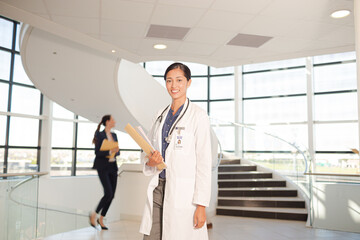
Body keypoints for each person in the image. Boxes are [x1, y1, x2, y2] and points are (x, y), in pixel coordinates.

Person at [139, 62, 212, 240]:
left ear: (188, 82)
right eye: (169, 81)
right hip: (159, 187)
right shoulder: (160, 114)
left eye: (179, 80)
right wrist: (151, 161)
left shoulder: (198, 116)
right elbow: (147, 152)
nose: (174, 86)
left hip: (183, 193)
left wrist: (201, 205)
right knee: (151, 237)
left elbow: (204, 162)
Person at [89, 115, 120, 230]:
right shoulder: (99, 134)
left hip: (113, 166)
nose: (114, 121)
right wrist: (109, 150)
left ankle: (101, 219)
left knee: (112, 196)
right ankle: (94, 214)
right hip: (103, 167)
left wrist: (116, 151)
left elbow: (117, 152)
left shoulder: (115, 135)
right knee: (108, 193)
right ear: (107, 122)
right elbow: (97, 152)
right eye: (113, 119)